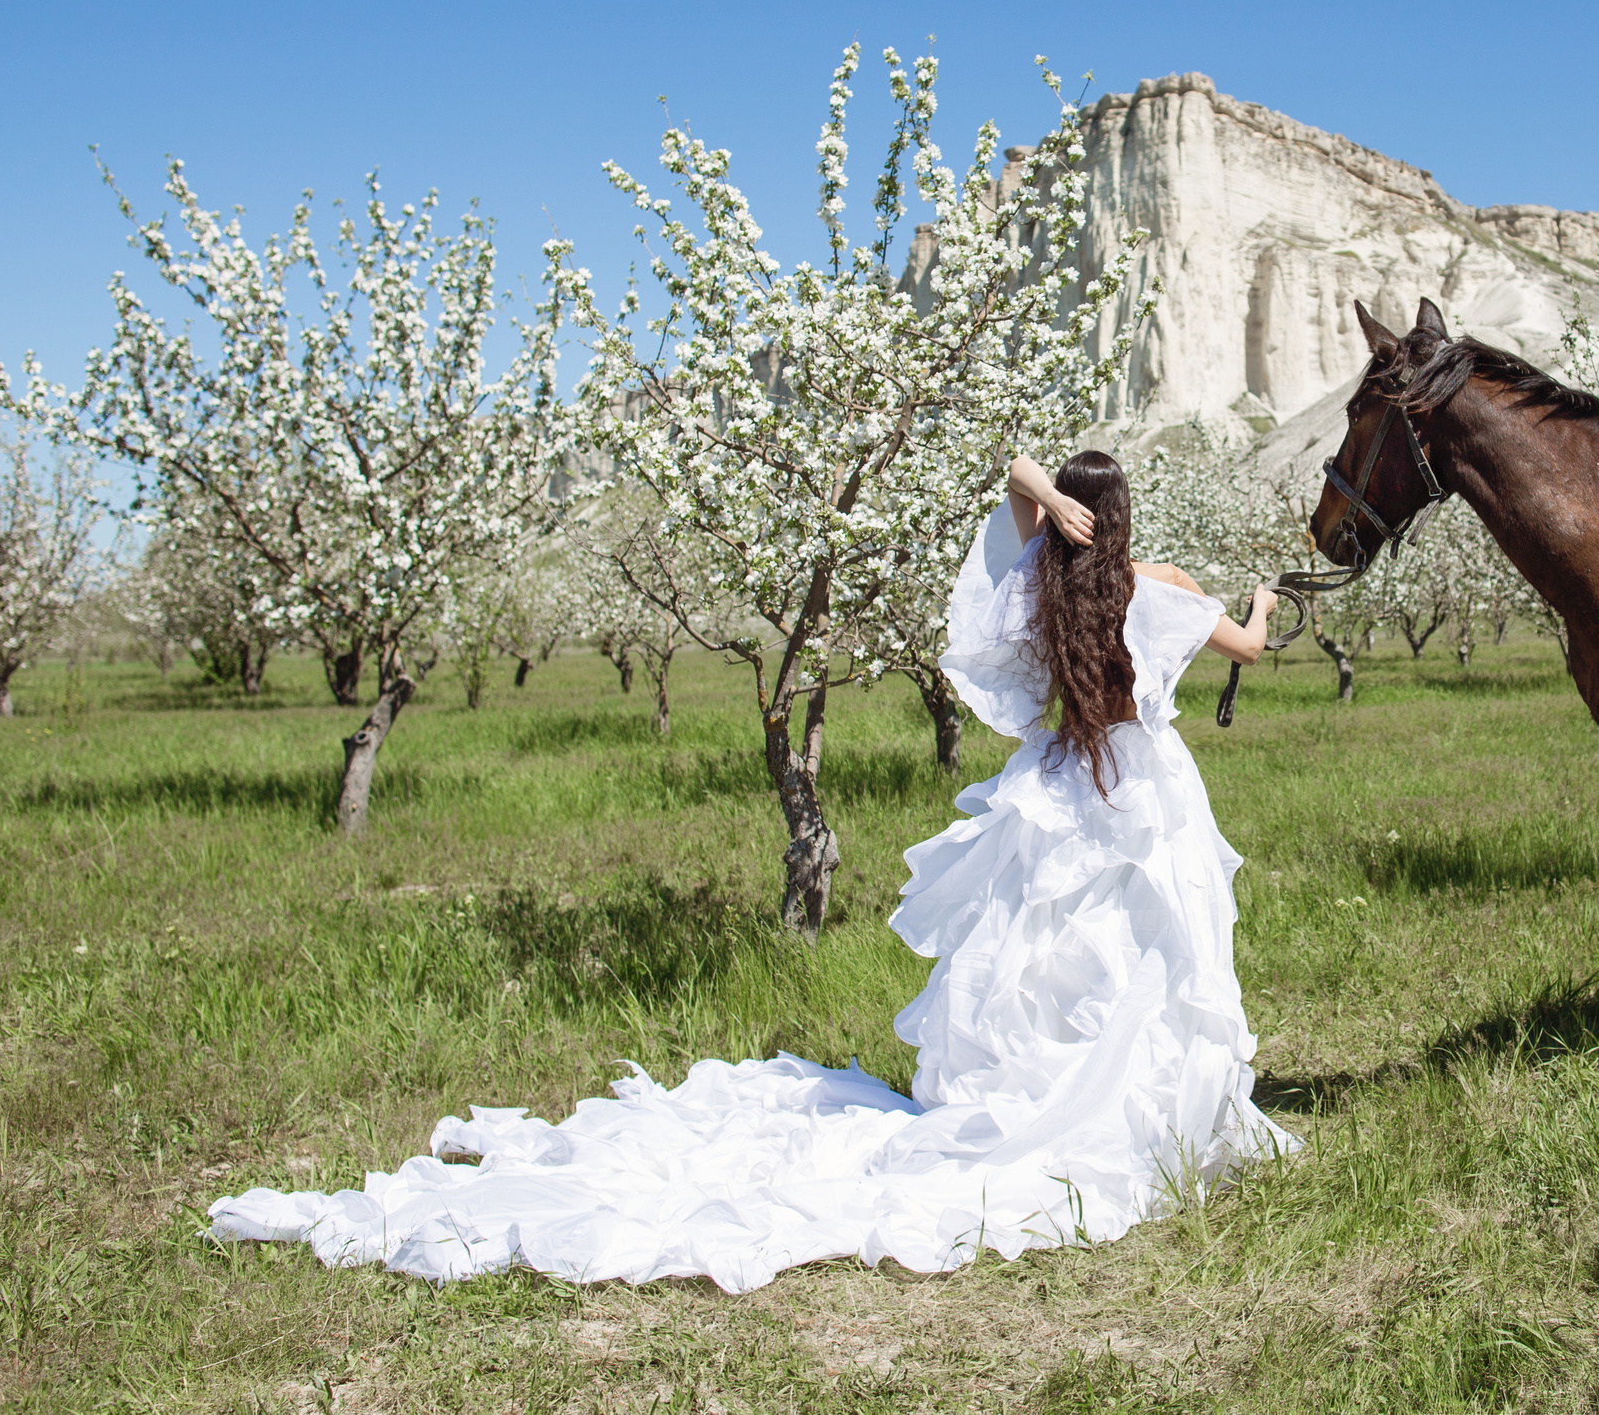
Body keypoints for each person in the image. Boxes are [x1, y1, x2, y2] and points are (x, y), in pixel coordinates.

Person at [208, 450, 1291, 1292]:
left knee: (1038, 953)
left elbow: (1010, 472)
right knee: (1148, 950)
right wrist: (1265, 606)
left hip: (1051, 787)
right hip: (1138, 795)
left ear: (1065, 513)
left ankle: (1032, 1098)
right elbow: (1246, 645)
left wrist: (1046, 502)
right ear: (1128, 512)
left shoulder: (1037, 594)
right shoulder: (1157, 587)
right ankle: (1140, 1113)